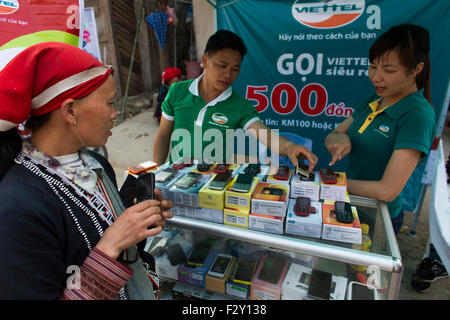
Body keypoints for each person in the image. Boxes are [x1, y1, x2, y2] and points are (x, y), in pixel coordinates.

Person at [0, 42, 173, 300]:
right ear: (70, 111)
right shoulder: (17, 205)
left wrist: (136, 218)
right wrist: (111, 246)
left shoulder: (94, 162)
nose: (116, 114)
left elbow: (94, 227)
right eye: (111, 103)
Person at [324, 24, 436, 235]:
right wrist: (339, 139)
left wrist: (332, 182)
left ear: (416, 69)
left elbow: (387, 190)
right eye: (373, 66)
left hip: (377, 216)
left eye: (389, 70)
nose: (376, 77)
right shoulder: (376, 99)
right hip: (350, 203)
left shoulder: (417, 116)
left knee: (360, 269)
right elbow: (334, 133)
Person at [152, 29, 318, 170]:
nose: (228, 75)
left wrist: (290, 147)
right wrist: (155, 175)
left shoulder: (240, 106)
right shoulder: (177, 91)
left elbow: (266, 135)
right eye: (222, 65)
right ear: (205, 61)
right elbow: (163, 136)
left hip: (214, 188)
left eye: (235, 69)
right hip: (176, 181)